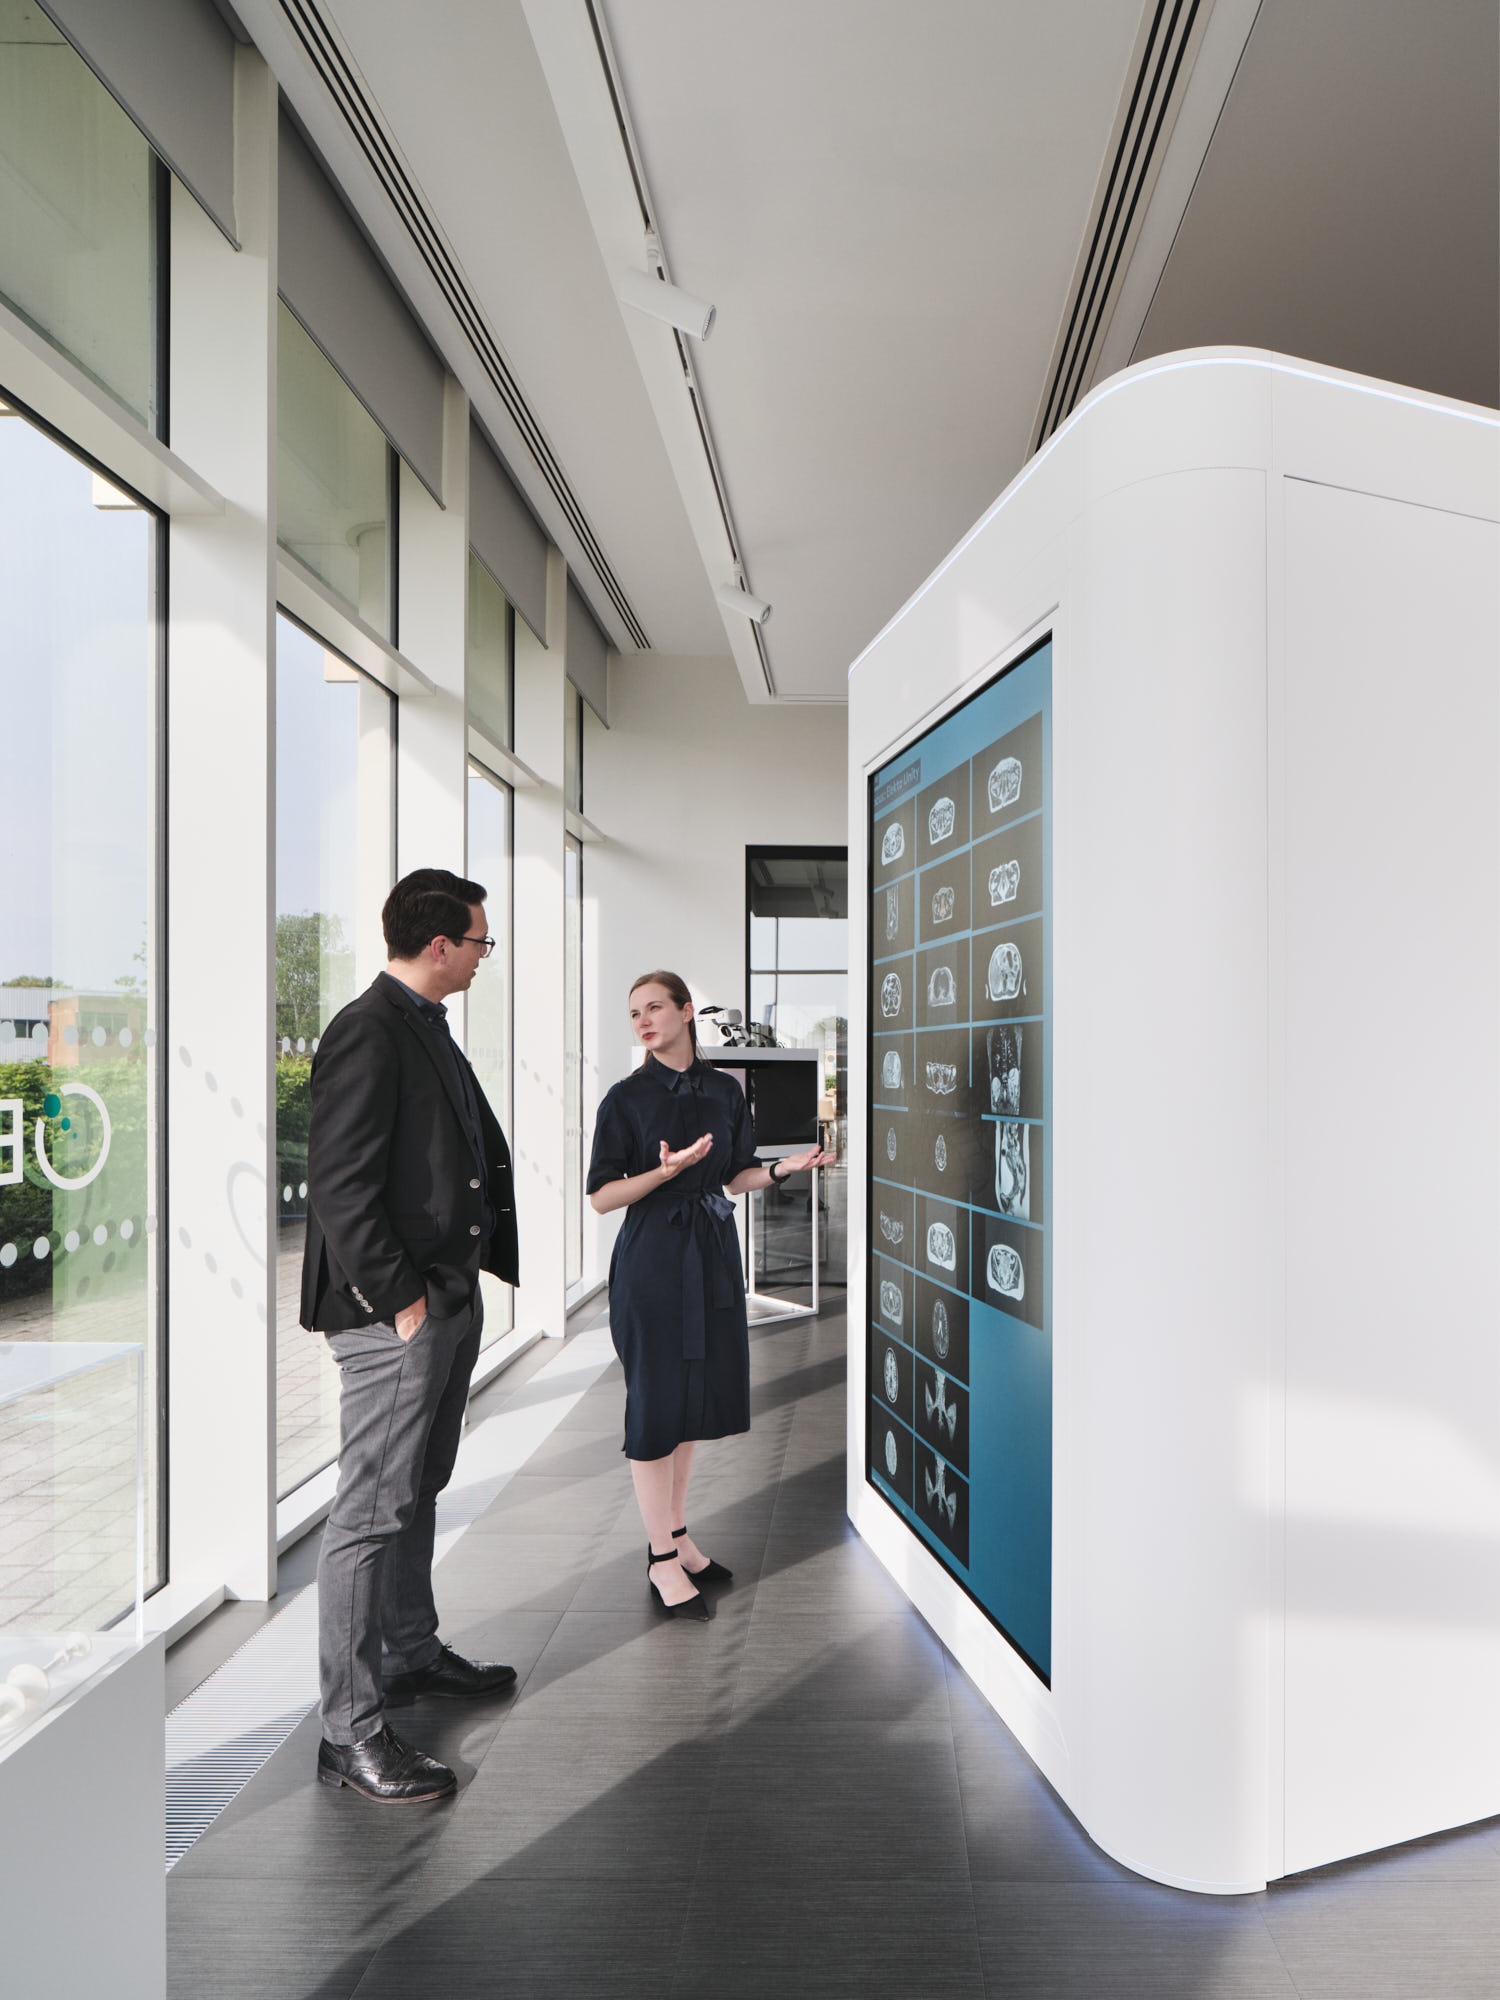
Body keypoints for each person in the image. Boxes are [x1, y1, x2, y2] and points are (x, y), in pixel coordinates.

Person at [301, 867, 520, 1802]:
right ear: (440, 945)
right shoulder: (368, 1029)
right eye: (479, 941)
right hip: (396, 1315)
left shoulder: (422, 1026)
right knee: (368, 1514)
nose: (482, 956)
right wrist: (402, 1302)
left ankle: (409, 1653)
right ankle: (350, 1732)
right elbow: (340, 1186)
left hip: (443, 1296)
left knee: (418, 1487)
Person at [587, 971, 832, 1617]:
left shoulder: (726, 1090)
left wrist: (783, 1168)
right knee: (655, 1406)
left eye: (656, 1007)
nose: (642, 1019)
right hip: (651, 1263)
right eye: (633, 1011)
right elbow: (601, 1197)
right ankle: (662, 1560)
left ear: (687, 1011)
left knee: (690, 1407)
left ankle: (678, 1537)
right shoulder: (624, 1099)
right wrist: (659, 1173)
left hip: (713, 1256)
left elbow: (734, 1175)